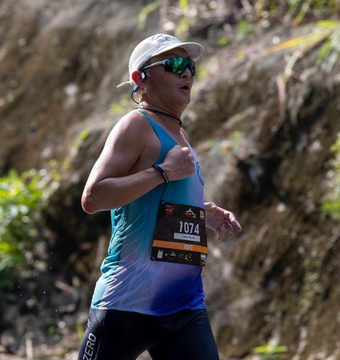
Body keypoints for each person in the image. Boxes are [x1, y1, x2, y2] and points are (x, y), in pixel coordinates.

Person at [78, 33, 242, 360]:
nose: (187, 72)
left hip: (184, 305)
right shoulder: (135, 125)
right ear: (141, 78)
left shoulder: (181, 135)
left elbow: (156, 205)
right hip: (128, 300)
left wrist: (199, 213)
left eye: (190, 65)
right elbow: (93, 197)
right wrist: (162, 172)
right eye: (175, 64)